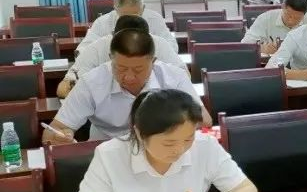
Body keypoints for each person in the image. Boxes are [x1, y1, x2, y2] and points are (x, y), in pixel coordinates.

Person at [66, 89, 258, 192]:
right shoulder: (110, 155)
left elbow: (247, 190)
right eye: (169, 143)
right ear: (140, 134)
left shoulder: (204, 146)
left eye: (188, 139)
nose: (180, 150)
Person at [44, 29, 208, 144]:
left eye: (138, 70)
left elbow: (204, 120)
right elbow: (52, 131)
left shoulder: (174, 77)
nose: (129, 77)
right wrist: (61, 136)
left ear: (153, 61)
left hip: (161, 149)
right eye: (121, 68)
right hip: (106, 155)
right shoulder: (91, 82)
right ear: (111, 58)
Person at [57, 15, 185, 98]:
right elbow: (63, 89)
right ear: (113, 35)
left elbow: (184, 77)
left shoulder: (160, 44)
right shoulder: (97, 48)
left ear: (149, 37)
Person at [79, 0, 176, 50]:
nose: (131, 20)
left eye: (135, 15)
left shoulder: (155, 19)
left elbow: (172, 46)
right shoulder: (102, 22)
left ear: (143, 8)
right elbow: (84, 49)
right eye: (125, 16)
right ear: (115, 9)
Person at [241, 0, 307, 56]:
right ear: (283, 7)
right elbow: (245, 44)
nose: (291, 21)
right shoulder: (265, 18)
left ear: (304, 15)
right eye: (288, 15)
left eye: (297, 18)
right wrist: (262, 48)